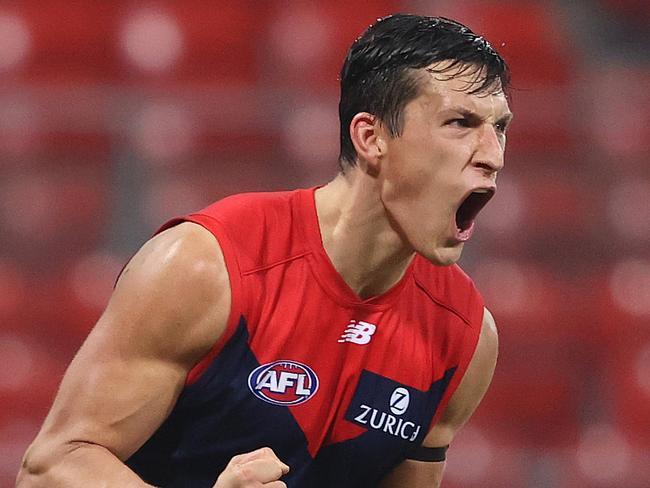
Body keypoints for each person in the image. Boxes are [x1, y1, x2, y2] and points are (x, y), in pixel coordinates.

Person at [17, 13, 512, 488]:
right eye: (460, 123)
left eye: (500, 127)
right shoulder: (207, 265)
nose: (492, 155)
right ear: (371, 137)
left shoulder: (464, 336)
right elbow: (53, 467)